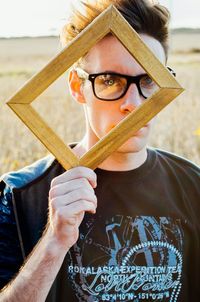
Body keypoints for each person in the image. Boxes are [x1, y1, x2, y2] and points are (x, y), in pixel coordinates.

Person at [0, 0, 199, 301]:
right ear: (78, 87)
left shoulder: (193, 186)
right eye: (110, 80)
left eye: (149, 80)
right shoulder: (18, 196)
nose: (133, 104)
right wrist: (53, 243)